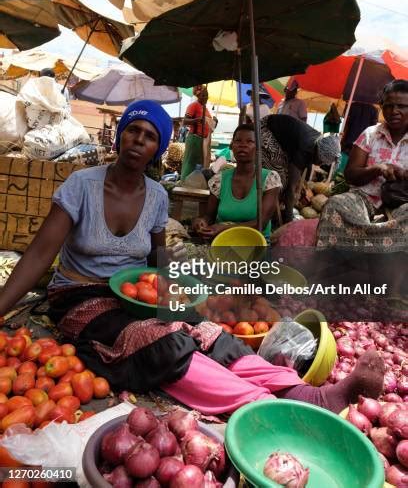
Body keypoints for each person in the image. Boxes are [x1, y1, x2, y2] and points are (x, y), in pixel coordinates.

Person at [0, 101, 384, 415]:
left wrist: (181, 291)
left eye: (150, 136)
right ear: (119, 136)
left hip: (134, 294)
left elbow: (153, 262)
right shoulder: (80, 186)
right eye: (132, 130)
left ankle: (298, 390)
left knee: (207, 329)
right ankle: (262, 404)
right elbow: (37, 256)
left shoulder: (156, 196)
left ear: (159, 148)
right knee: (158, 341)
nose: (138, 140)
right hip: (80, 295)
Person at [317, 80, 408, 251]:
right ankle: (333, 265)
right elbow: (350, 175)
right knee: (336, 204)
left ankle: (389, 266)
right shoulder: (370, 134)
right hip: (365, 198)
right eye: (388, 106)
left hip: (401, 202)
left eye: (402, 106)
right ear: (381, 107)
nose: (394, 111)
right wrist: (377, 168)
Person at [192, 124, 281, 241]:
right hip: (222, 243)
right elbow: (209, 216)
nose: (243, 145)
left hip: (256, 245)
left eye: (249, 141)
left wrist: (224, 228)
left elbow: (261, 223)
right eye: (238, 141)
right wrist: (201, 222)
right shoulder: (219, 180)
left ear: (258, 148)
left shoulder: (270, 179)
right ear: (232, 146)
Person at [260, 115, 341, 223]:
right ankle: (268, 213)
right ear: (317, 151)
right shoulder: (306, 146)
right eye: (321, 161)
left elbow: (301, 173)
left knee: (286, 177)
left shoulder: (317, 142)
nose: (320, 164)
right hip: (266, 128)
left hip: (281, 136)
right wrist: (289, 220)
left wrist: (302, 186)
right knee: (279, 178)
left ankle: (279, 208)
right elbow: (291, 187)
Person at [180, 86, 214, 181]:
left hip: (203, 141)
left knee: (199, 165)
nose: (205, 97)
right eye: (203, 95)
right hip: (194, 139)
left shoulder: (205, 109)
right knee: (190, 164)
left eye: (206, 95)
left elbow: (209, 124)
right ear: (198, 96)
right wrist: (197, 120)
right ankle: (185, 183)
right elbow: (185, 121)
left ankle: (195, 184)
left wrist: (214, 121)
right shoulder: (194, 105)